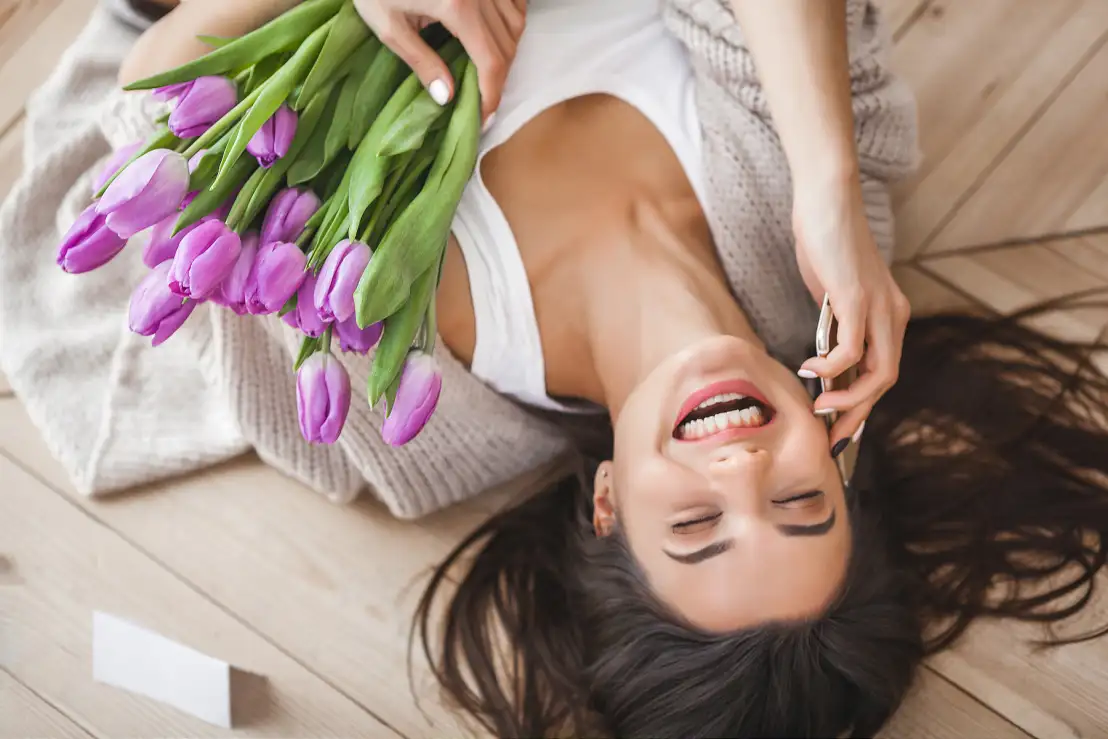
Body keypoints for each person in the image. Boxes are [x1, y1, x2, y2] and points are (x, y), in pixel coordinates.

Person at [3, 1, 1106, 738]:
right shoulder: (817, 247)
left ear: (609, 506)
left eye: (699, 527)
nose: (739, 464)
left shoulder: (408, 411)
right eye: (799, 499)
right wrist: (821, 170)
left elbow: (158, 111)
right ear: (840, 443)